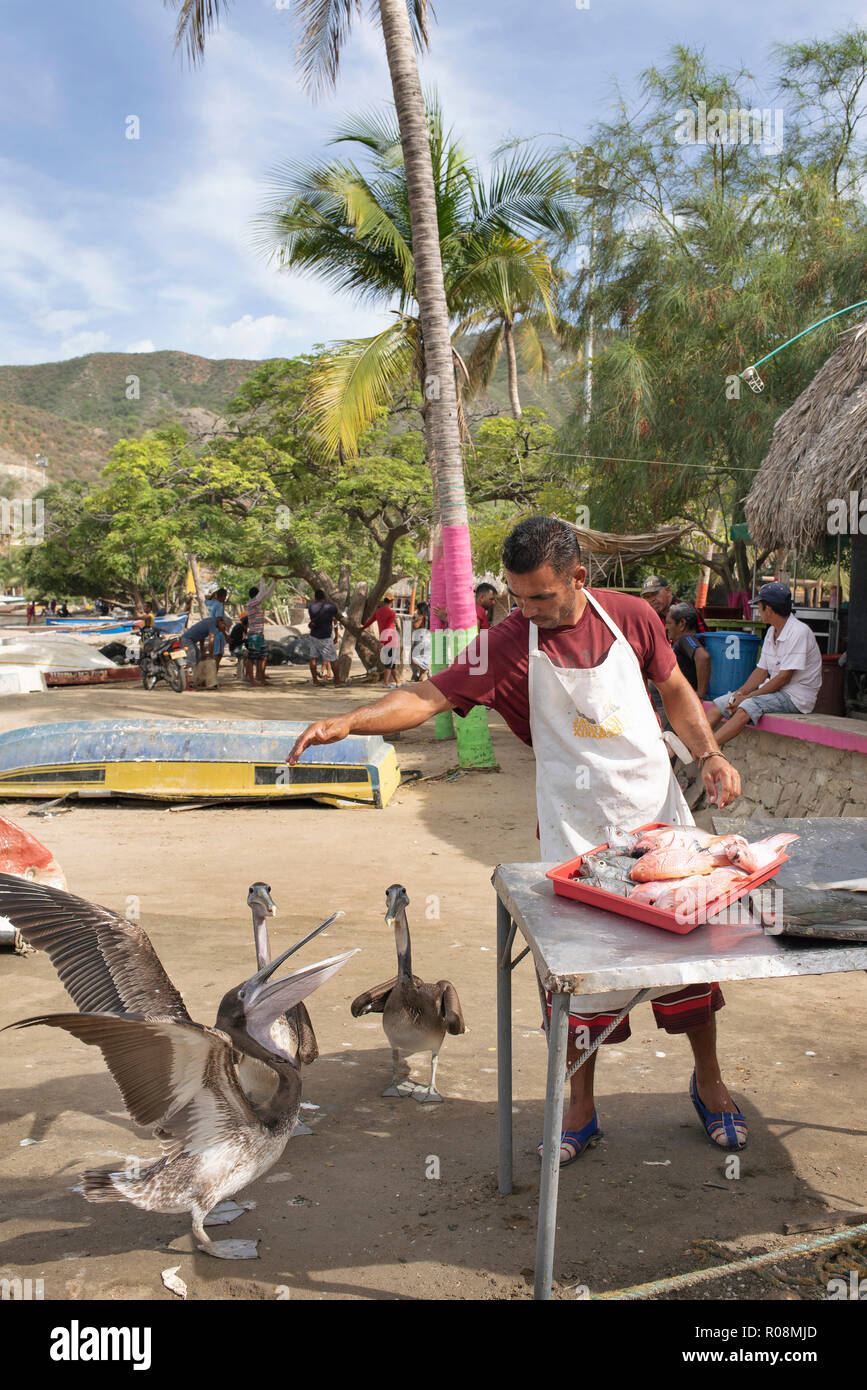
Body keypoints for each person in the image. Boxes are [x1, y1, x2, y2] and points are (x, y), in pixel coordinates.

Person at [287, 516, 745, 1162]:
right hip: (573, 835)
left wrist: (708, 756)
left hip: (659, 819)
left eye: (539, 597)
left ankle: (709, 1083)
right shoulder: (506, 644)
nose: (524, 610)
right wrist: (348, 722)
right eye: (515, 597)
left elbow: (673, 688)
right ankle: (579, 1107)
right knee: (577, 983)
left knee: (685, 967)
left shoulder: (632, 617)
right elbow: (427, 695)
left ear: (577, 578)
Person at [706, 582, 822, 747]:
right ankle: (697, 745)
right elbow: (761, 671)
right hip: (777, 692)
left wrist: (746, 698)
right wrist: (738, 694)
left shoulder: (799, 632)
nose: (758, 611)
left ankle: (709, 750)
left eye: (759, 606)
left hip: (796, 698)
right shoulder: (771, 632)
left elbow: (784, 678)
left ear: (769, 609)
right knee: (721, 703)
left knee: (747, 706)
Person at [665, 603, 710, 697]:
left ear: (682, 623)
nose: (666, 628)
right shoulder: (682, 641)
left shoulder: (685, 638)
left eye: (669, 623)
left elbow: (703, 657)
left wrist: (700, 695)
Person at [642, 576, 708, 632]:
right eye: (647, 597)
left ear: (668, 591)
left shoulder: (685, 611)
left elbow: (704, 640)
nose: (651, 600)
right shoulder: (652, 616)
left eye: (655, 594)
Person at [180, 613, 229, 686]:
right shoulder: (212, 623)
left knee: (199, 658)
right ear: (221, 622)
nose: (223, 629)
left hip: (191, 641)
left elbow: (202, 637)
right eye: (223, 626)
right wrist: (211, 654)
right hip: (187, 640)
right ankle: (187, 683)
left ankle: (200, 681)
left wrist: (203, 652)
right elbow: (211, 640)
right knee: (191, 660)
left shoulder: (210, 622)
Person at [362, 592, 399, 687]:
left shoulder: (378, 612)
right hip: (391, 640)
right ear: (392, 601)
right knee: (389, 663)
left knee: (391, 663)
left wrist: (361, 628)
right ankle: (386, 683)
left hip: (384, 640)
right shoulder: (392, 613)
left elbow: (369, 621)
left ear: (384, 600)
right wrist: (383, 642)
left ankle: (397, 682)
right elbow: (389, 627)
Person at [244, 578, 276, 686]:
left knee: (262, 657)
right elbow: (263, 593)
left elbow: (267, 594)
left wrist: (274, 582)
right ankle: (253, 680)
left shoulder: (256, 603)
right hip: (254, 634)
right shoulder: (251, 603)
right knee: (251, 658)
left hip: (259, 634)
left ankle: (261, 679)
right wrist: (262, 579)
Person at [307, 588, 341, 686]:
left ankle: (315, 681)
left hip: (314, 635)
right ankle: (337, 681)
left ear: (315, 597)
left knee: (313, 658)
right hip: (325, 636)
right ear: (324, 597)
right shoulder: (330, 607)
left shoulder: (311, 607)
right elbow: (336, 615)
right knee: (333, 659)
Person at [205, 589, 229, 671]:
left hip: (209, 629)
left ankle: (211, 678)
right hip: (218, 633)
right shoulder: (219, 605)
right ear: (223, 596)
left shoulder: (210, 603)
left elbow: (207, 599)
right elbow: (218, 619)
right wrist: (225, 635)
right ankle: (213, 678)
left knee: (212, 655)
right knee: (217, 657)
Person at [410, 610, 431, 681]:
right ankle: (421, 675)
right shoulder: (429, 616)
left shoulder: (421, 617)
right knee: (423, 658)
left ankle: (424, 669)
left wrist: (413, 621)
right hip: (428, 638)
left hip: (421, 639)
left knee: (412, 659)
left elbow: (415, 626)